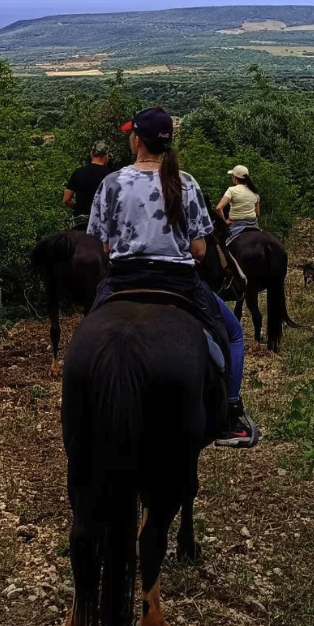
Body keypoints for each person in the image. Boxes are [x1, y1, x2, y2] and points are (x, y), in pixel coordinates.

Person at [87, 106, 258, 447]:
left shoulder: (112, 183)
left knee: (88, 335)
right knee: (235, 334)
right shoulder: (187, 183)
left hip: (123, 280)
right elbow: (199, 250)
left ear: (137, 140)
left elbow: (103, 248)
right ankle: (229, 415)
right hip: (178, 282)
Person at [63, 142, 112, 229]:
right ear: (106, 156)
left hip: (80, 222)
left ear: (91, 154)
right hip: (100, 222)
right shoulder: (110, 175)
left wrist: (79, 208)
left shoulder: (78, 172)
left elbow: (66, 199)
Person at [216, 164, 261, 240]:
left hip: (236, 224)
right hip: (254, 225)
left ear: (235, 177)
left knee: (223, 242)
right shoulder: (255, 192)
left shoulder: (231, 190)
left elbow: (218, 208)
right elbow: (258, 213)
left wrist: (225, 222)